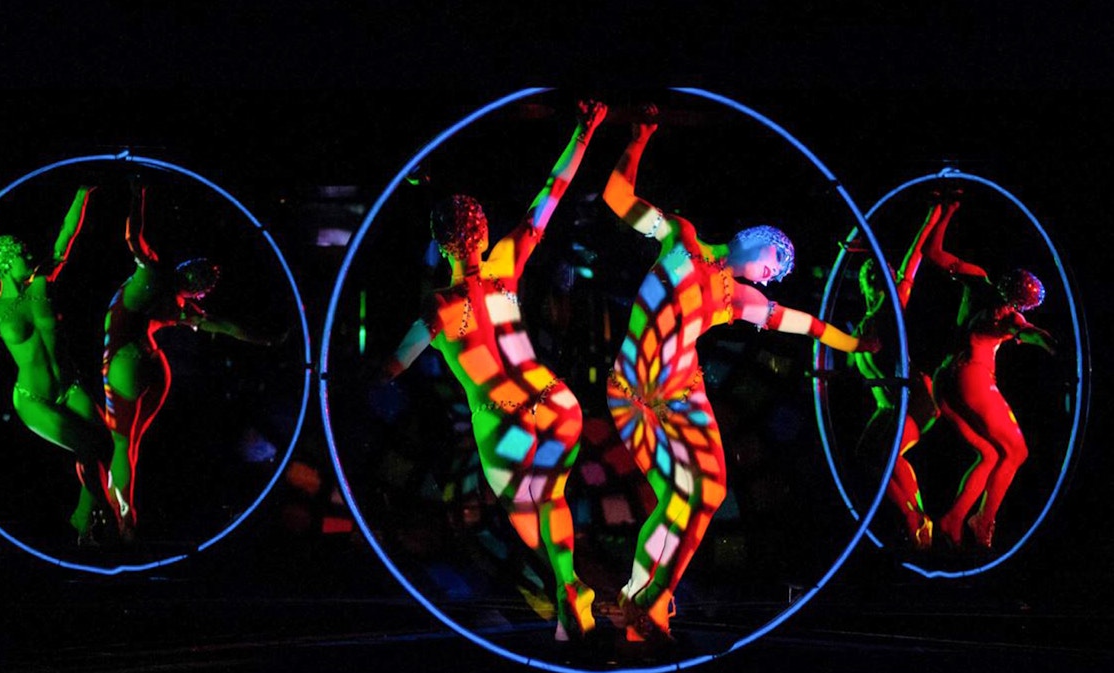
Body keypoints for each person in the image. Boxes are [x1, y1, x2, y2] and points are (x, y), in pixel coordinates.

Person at [601, 105, 876, 642]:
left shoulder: (739, 299)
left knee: (708, 491)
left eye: (778, 274)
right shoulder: (680, 237)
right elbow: (617, 197)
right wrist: (638, 139)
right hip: (632, 392)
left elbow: (805, 325)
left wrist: (854, 342)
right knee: (675, 496)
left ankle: (654, 597)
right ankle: (638, 593)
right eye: (775, 260)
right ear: (752, 237)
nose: (774, 275)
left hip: (684, 393)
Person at [383, 100, 607, 641]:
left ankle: (568, 584)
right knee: (551, 498)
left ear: (442, 246)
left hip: (504, 421)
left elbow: (393, 367)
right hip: (557, 403)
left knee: (524, 509)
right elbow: (549, 196)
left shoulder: (440, 308)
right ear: (483, 235)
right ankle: (568, 595)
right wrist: (584, 130)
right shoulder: (508, 263)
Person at [0, 186, 114, 544]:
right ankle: (100, 516)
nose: (31, 254)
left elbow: (65, 240)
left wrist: (80, 195)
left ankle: (81, 518)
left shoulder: (43, 284)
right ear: (6, 261)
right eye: (24, 252)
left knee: (104, 446)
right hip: (33, 398)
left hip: (70, 386)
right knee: (89, 448)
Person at [102, 182, 277, 541]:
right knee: (131, 445)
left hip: (126, 361)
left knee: (122, 444)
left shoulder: (150, 273)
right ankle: (125, 515)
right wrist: (267, 338)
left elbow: (132, 236)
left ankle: (125, 520)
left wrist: (138, 194)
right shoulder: (182, 307)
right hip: (155, 366)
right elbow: (224, 326)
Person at [921, 201, 1055, 549]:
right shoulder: (1009, 317)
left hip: (944, 380)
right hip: (972, 379)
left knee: (992, 455)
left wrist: (944, 212)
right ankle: (984, 521)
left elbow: (932, 252)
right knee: (1018, 451)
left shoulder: (977, 279)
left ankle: (953, 519)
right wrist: (1052, 345)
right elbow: (1030, 333)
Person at [851, 199, 956, 550]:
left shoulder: (889, 306)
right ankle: (916, 517)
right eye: (865, 275)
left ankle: (915, 519)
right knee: (868, 458)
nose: (866, 279)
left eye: (871, 273)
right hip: (887, 407)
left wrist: (930, 219)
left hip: (913, 403)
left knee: (887, 457)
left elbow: (913, 261)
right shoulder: (865, 320)